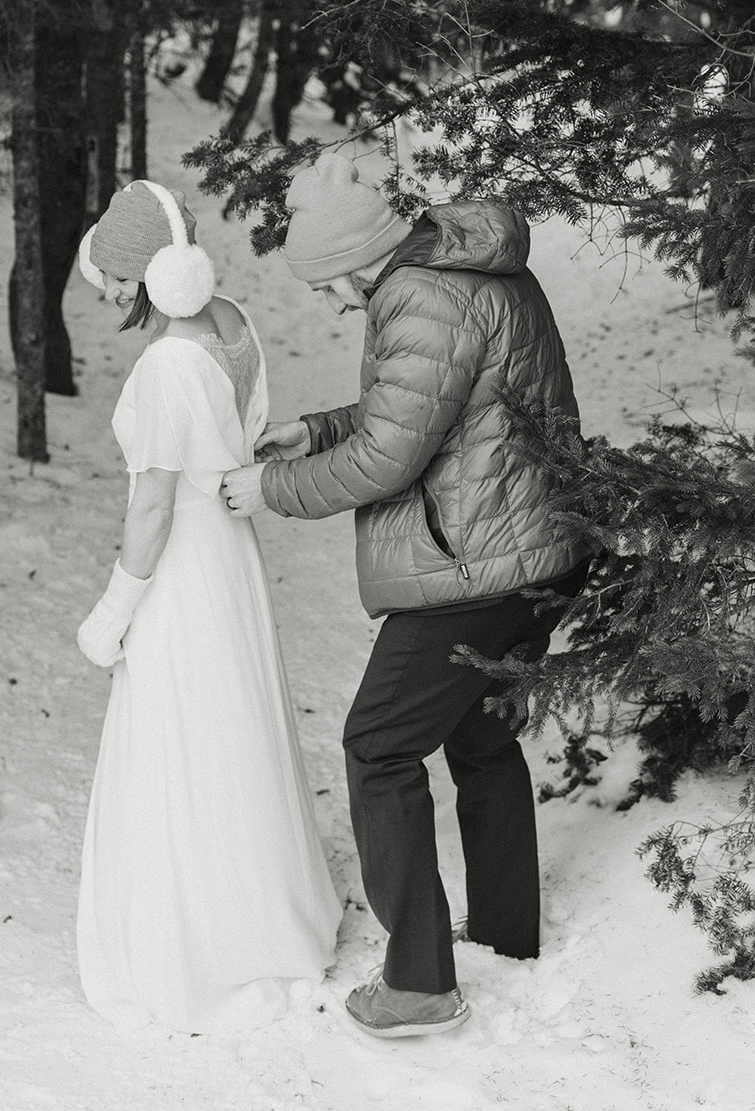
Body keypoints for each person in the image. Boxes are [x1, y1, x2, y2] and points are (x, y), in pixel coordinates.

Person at [222, 150, 591, 1040]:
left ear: (354, 263)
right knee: (478, 735)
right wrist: (311, 430)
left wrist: (271, 490)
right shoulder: (453, 268)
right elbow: (430, 407)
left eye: (325, 287)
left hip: (482, 565)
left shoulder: (424, 295)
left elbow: (391, 455)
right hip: (532, 546)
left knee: (378, 747)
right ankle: (504, 934)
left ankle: (420, 985)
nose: (331, 303)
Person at [74, 179, 341, 1035]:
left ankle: (199, 946)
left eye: (114, 279)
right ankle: (263, 914)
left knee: (182, 738)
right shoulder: (230, 320)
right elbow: (247, 435)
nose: (110, 295)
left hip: (184, 564)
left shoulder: (164, 366)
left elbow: (150, 510)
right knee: (235, 731)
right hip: (232, 555)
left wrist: (113, 609)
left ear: (146, 276)